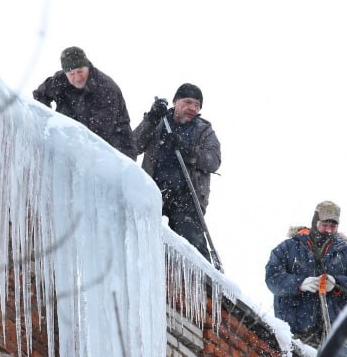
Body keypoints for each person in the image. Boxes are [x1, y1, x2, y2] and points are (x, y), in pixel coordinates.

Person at [132, 83, 221, 263]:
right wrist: (151, 119)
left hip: (186, 198)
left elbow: (213, 161)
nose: (192, 108)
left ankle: (206, 287)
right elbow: (133, 146)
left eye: (197, 105)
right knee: (145, 243)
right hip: (152, 194)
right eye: (188, 102)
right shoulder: (159, 122)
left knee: (193, 247)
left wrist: (187, 150)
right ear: (175, 102)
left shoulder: (204, 131)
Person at [265, 200, 347, 351]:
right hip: (296, 331)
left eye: (333, 226)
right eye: (324, 225)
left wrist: (337, 284)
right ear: (315, 222)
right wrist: (299, 284)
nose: (328, 230)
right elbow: (272, 278)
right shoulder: (288, 247)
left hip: (336, 333)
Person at [33, 46, 135, 158]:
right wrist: (47, 121)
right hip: (76, 145)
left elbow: (98, 133)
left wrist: (65, 137)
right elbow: (40, 94)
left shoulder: (106, 89)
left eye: (80, 71)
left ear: (87, 67)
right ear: (65, 73)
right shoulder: (60, 81)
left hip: (115, 152)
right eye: (71, 74)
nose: (77, 77)